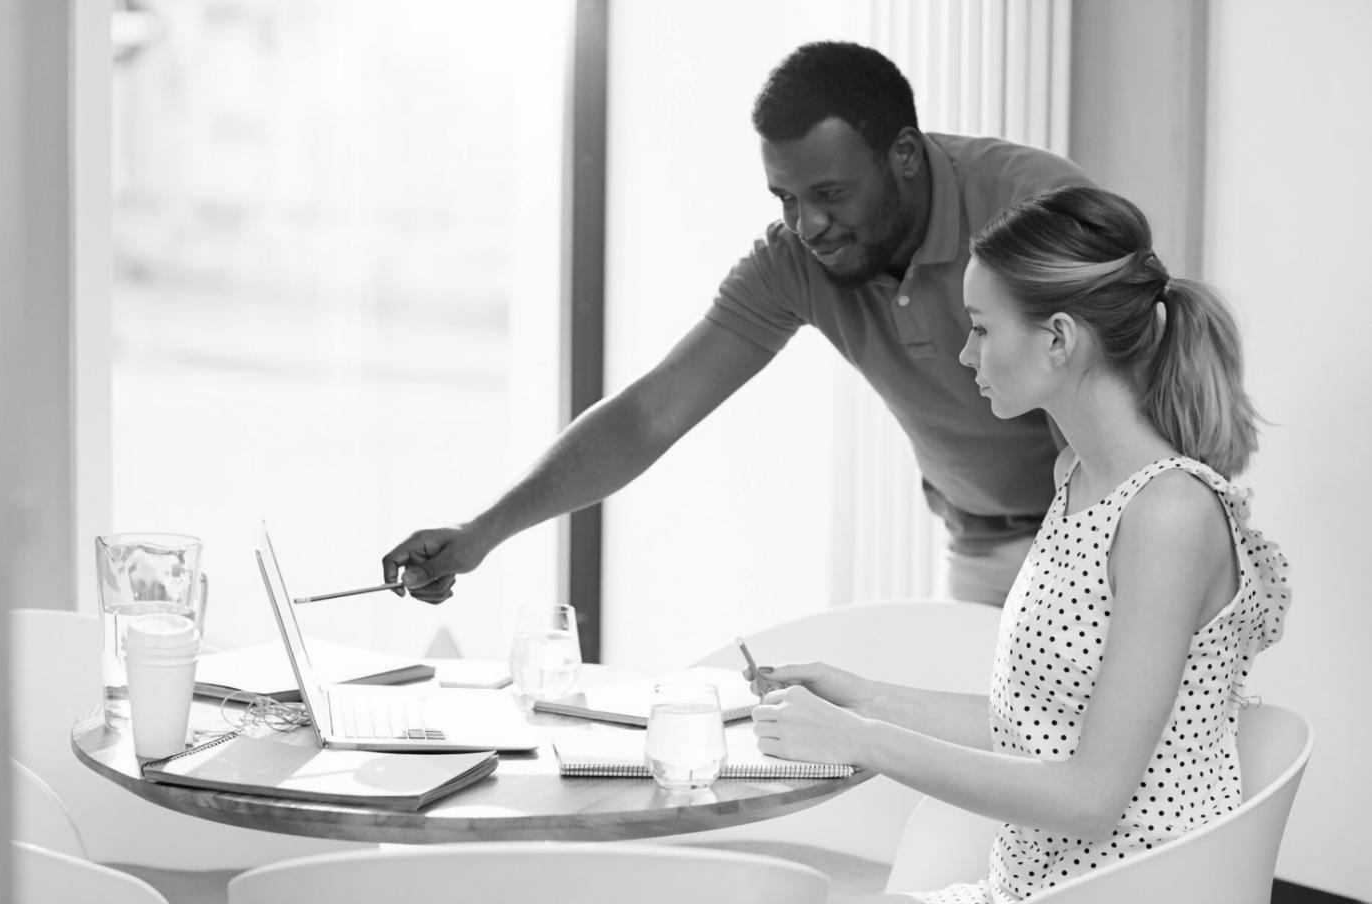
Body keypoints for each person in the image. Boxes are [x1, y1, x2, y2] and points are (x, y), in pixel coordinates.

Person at [382, 41, 1092, 606]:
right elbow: (649, 414)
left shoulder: (1035, 207)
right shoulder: (794, 259)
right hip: (975, 544)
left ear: (903, 155)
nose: (806, 223)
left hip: (1093, 536)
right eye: (784, 196)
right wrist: (481, 533)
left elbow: (1109, 403)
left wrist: (1086, 561)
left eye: (829, 193)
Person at [746, 184, 1291, 903]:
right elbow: (1037, 726)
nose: (964, 351)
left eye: (979, 327)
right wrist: (860, 700)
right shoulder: (1079, 480)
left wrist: (856, 741)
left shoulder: (1168, 513)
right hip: (1032, 889)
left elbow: (1090, 794)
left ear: (1058, 339)